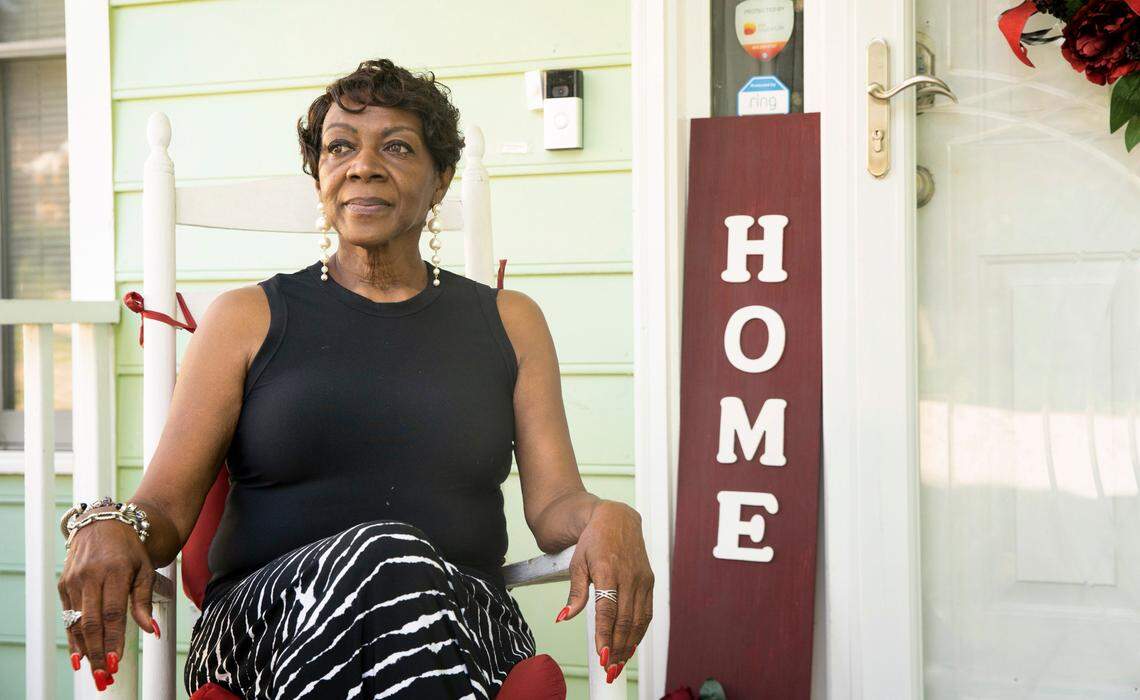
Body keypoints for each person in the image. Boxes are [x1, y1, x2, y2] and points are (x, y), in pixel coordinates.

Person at [56, 58, 654, 698]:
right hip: (269, 624)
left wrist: (609, 515)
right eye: (341, 147)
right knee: (381, 552)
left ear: (441, 179)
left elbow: (556, 504)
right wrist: (105, 523)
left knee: (389, 559)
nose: (362, 165)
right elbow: (166, 509)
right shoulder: (245, 319)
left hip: (460, 616)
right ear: (320, 176)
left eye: (396, 147)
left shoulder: (511, 322)